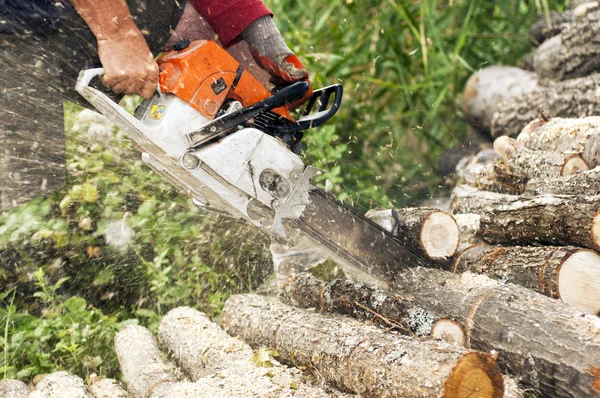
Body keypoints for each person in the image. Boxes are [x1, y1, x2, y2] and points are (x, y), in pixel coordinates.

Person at [0, 0, 310, 211]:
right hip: (23, 27)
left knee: (222, 56)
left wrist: (246, 22)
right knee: (16, 190)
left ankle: (292, 227)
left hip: (40, 18)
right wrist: (116, 34)